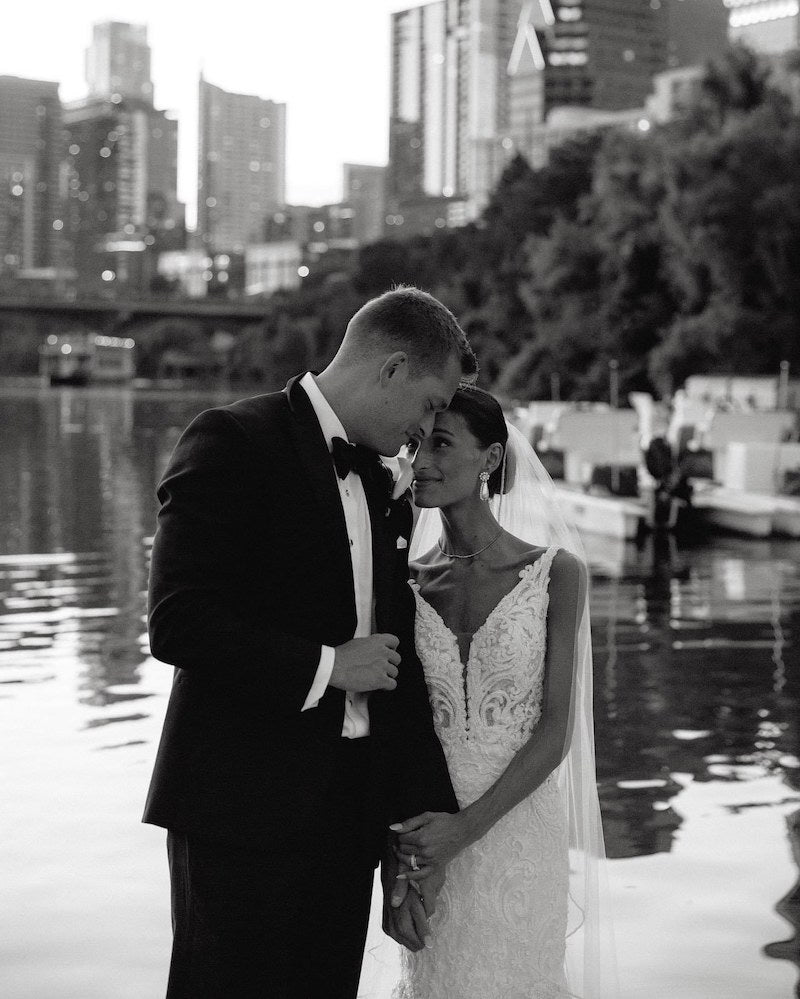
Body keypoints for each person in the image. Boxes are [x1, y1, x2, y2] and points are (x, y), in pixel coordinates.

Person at [142, 286, 478, 998]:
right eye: (428, 403)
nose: (426, 430)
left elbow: (397, 666)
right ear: (390, 369)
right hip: (239, 816)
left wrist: (411, 835)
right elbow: (178, 619)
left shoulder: (387, 484)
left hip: (346, 824)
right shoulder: (230, 440)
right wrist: (328, 666)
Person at [385, 385, 616, 999]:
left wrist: (468, 828)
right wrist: (397, 859)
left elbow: (555, 732)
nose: (420, 461)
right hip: (426, 836)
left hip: (514, 830)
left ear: (489, 459)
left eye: (440, 443)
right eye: (414, 443)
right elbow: (392, 734)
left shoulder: (555, 574)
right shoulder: (402, 585)